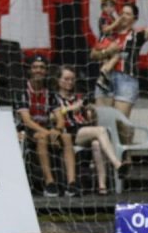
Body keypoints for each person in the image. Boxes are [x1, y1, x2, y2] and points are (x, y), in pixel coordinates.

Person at [90, 0, 148, 143]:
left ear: (134, 19)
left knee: (120, 122)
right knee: (103, 122)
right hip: (105, 79)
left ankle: (126, 157)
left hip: (126, 79)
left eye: (128, 14)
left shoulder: (136, 36)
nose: (123, 16)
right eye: (122, 12)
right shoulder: (109, 33)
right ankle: (106, 161)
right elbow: (93, 55)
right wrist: (107, 51)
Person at [52, 66, 129, 196]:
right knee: (100, 131)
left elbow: (88, 118)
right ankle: (117, 164)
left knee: (97, 144)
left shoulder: (79, 97)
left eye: (72, 79)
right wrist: (70, 109)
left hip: (83, 130)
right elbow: (52, 116)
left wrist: (89, 112)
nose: (70, 82)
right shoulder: (54, 98)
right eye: (66, 79)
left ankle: (102, 186)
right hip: (68, 132)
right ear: (58, 80)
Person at [14, 54, 70, 197]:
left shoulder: (50, 92)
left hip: (46, 130)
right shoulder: (22, 91)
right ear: (29, 70)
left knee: (67, 137)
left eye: (42, 68)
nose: (38, 70)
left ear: (46, 71)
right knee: (41, 137)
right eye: (35, 67)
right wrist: (48, 133)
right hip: (27, 131)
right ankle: (50, 183)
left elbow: (60, 118)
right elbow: (27, 121)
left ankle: (72, 184)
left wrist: (56, 130)